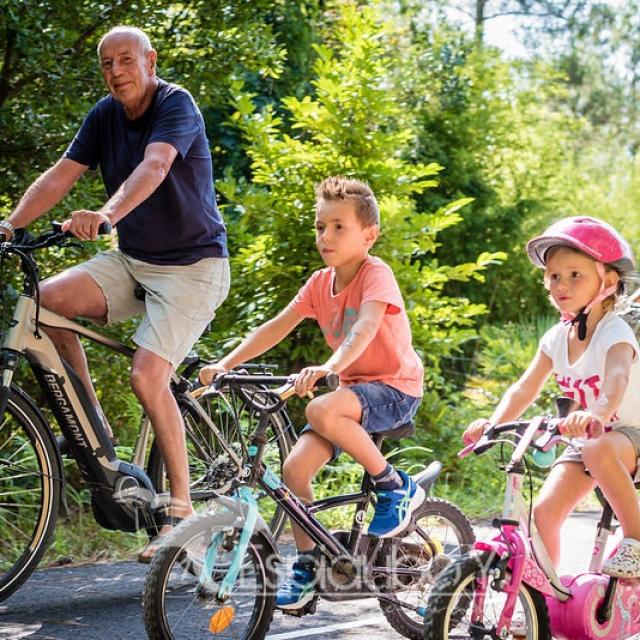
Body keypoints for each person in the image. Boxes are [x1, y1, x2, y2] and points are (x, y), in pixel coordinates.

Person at [0, 26, 230, 561]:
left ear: (150, 61)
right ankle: (96, 442)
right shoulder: (104, 114)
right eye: (107, 63)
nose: (116, 71)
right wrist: (9, 227)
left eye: (126, 60)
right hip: (134, 260)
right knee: (45, 308)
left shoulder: (177, 104)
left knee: (148, 374)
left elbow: (155, 166)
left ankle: (182, 509)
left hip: (193, 268)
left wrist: (105, 214)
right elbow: (61, 176)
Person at [199, 176, 424, 610]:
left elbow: (363, 330)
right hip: (353, 393)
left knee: (322, 408)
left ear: (369, 235)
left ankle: (396, 486)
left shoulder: (377, 275)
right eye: (321, 226)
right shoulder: (320, 284)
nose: (327, 235)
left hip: (396, 388)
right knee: (293, 469)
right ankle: (309, 567)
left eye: (339, 226)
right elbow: (275, 327)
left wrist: (328, 367)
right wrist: (225, 365)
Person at [463, 216, 640, 578]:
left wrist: (599, 413)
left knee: (596, 447)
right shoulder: (557, 338)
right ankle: (539, 597)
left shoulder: (614, 331)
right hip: (588, 438)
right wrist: (492, 424)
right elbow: (525, 387)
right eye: (554, 276)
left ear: (607, 281)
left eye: (576, 275)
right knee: (543, 514)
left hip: (630, 433)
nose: (562, 284)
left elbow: (617, 380)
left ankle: (637, 540)